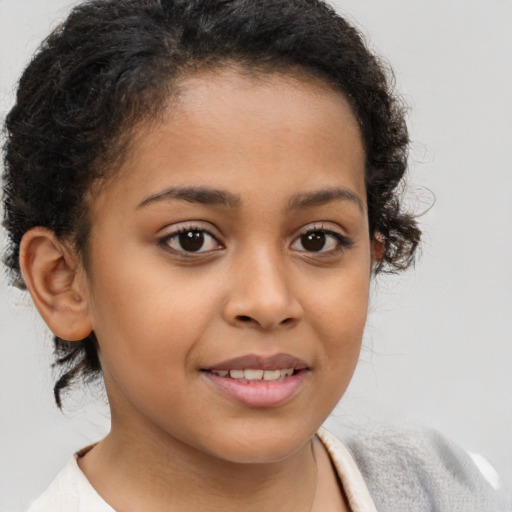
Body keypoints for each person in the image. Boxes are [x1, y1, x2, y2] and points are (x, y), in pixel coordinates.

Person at [1, 0, 507, 510]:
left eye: (317, 239)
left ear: (371, 259)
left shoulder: (447, 487)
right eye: (191, 239)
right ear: (62, 280)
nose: (268, 301)